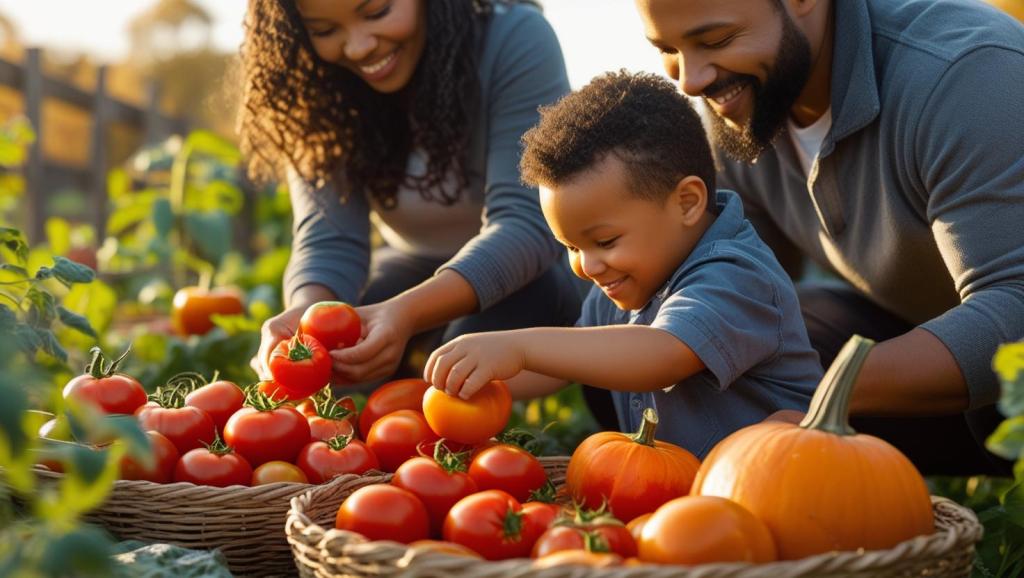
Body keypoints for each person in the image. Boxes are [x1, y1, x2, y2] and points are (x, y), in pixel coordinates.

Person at [632, 0, 1024, 474]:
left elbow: (1015, 307)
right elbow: (728, 287)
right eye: (668, 50)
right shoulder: (741, 102)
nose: (691, 81)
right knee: (691, 351)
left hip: (1004, 372)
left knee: (996, 396)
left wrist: (825, 392)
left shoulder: (966, 74)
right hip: (922, 339)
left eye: (716, 40)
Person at [423, 71, 822, 458]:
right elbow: (561, 367)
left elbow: (662, 355)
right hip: (671, 489)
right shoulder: (621, 288)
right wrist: (476, 376)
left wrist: (519, 347)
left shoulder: (736, 274)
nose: (587, 266)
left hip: (770, 482)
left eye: (605, 242)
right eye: (571, 247)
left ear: (687, 202)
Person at [238, 0, 583, 386]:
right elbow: (330, 241)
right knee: (345, 355)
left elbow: (527, 223)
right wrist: (306, 321)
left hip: (541, 273)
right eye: (324, 31)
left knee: (464, 354)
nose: (359, 47)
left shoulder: (516, 38)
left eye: (377, 12)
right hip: (412, 266)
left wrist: (407, 313)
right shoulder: (317, 89)